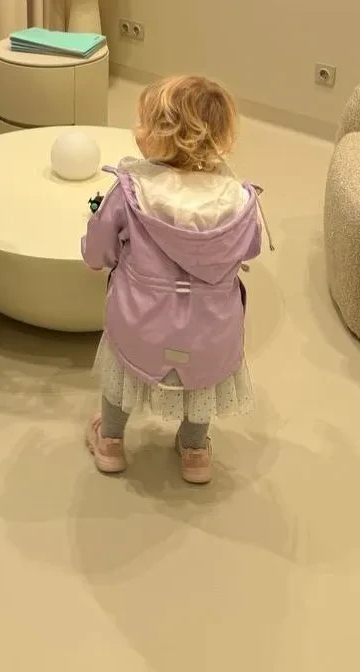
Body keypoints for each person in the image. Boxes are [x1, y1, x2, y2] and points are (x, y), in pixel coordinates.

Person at [81, 75, 263, 484]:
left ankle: (110, 443)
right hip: (211, 329)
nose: (136, 129)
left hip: (141, 321)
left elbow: (99, 250)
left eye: (144, 122)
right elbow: (249, 247)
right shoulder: (237, 199)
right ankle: (195, 453)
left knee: (122, 375)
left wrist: (95, 256)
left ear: (166, 137)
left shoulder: (131, 191)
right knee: (201, 383)